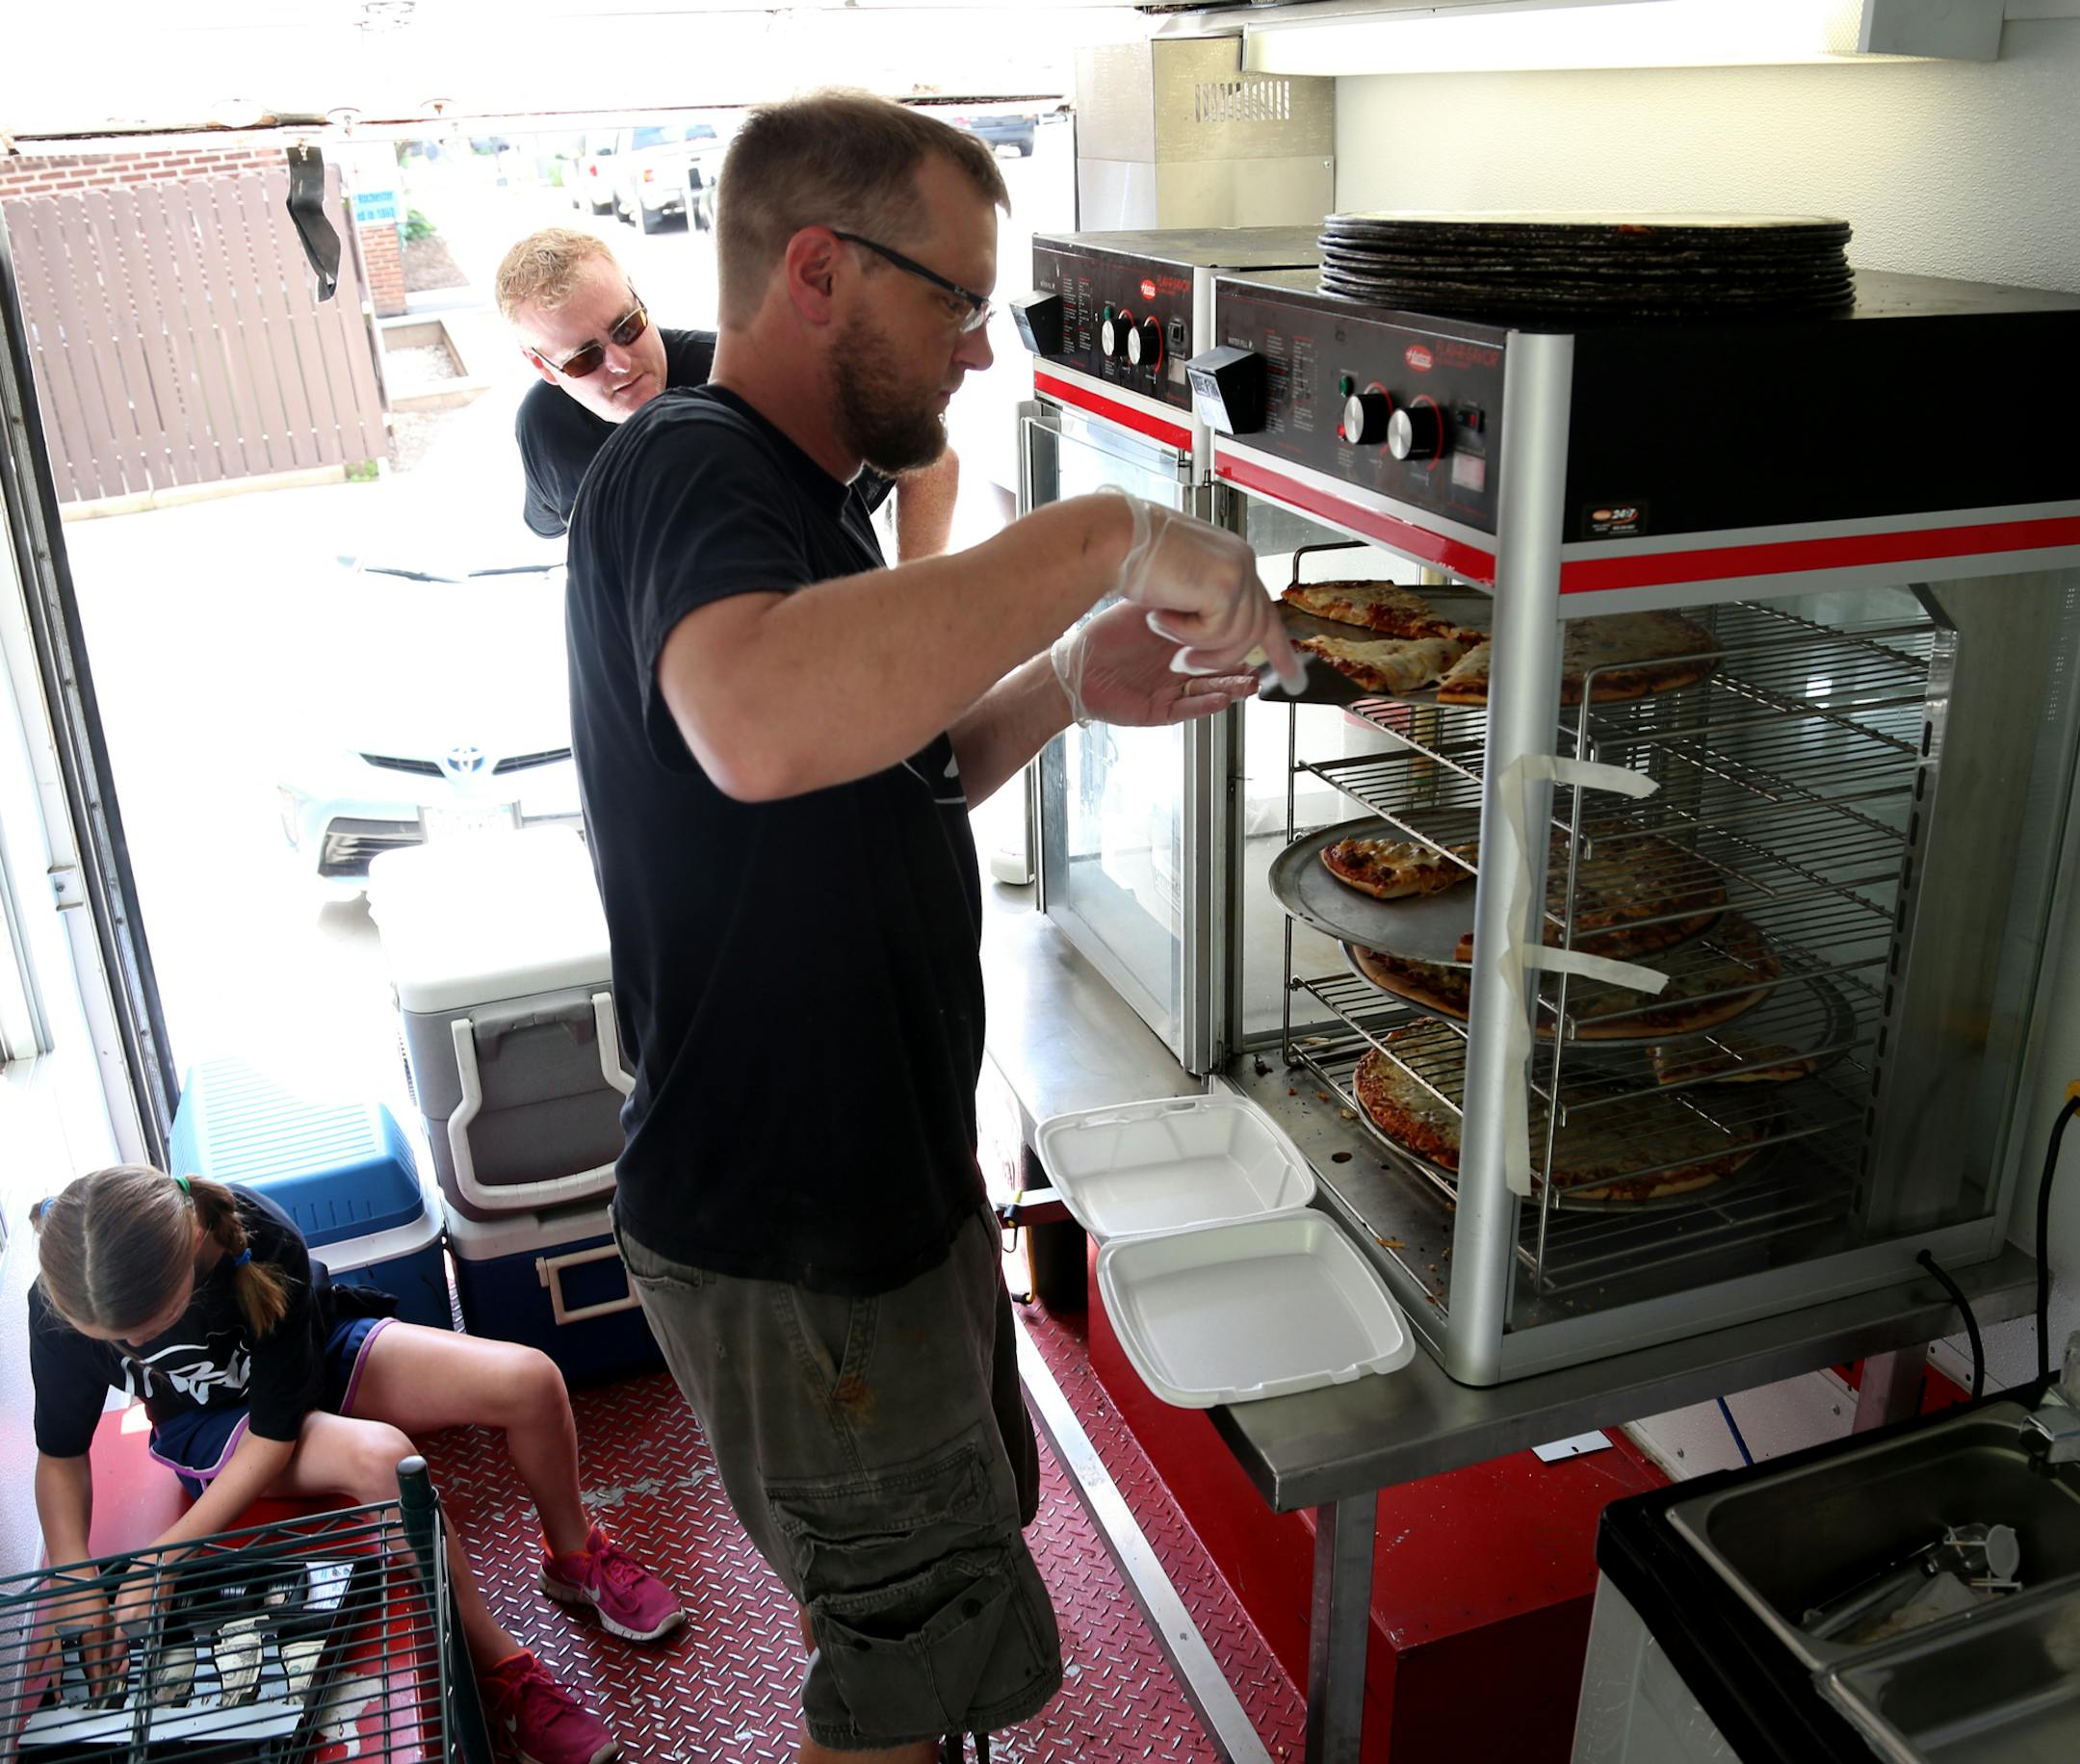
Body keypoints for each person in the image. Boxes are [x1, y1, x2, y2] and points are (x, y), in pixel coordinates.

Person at [560, 91, 1301, 1764]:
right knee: (898, 1674)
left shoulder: (811, 505)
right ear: (819, 270)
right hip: (800, 1230)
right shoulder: (685, 463)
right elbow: (756, 725)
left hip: (874, 1191)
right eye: (958, 298)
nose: (977, 348)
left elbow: (888, 776)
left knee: (895, 1601)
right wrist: (1107, 534)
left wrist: (1064, 681)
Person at [28, 1165, 686, 1764]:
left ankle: (571, 1553)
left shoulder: (251, 1230)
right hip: (216, 1425)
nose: (130, 1344)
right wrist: (72, 1574)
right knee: (386, 1461)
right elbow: (60, 1456)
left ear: (192, 1246)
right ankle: (498, 1669)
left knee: (531, 1381)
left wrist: (164, 1557)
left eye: (148, 1329)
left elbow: (280, 1427)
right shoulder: (63, 1304)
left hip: (311, 1364)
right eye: (113, 1339)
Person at [495, 227, 959, 559]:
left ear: (636, 294)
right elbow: (564, 535)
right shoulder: (544, 429)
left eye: (628, 326)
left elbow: (931, 461)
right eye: (584, 358)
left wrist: (915, 595)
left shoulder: (755, 378)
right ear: (543, 366)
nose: (620, 363)